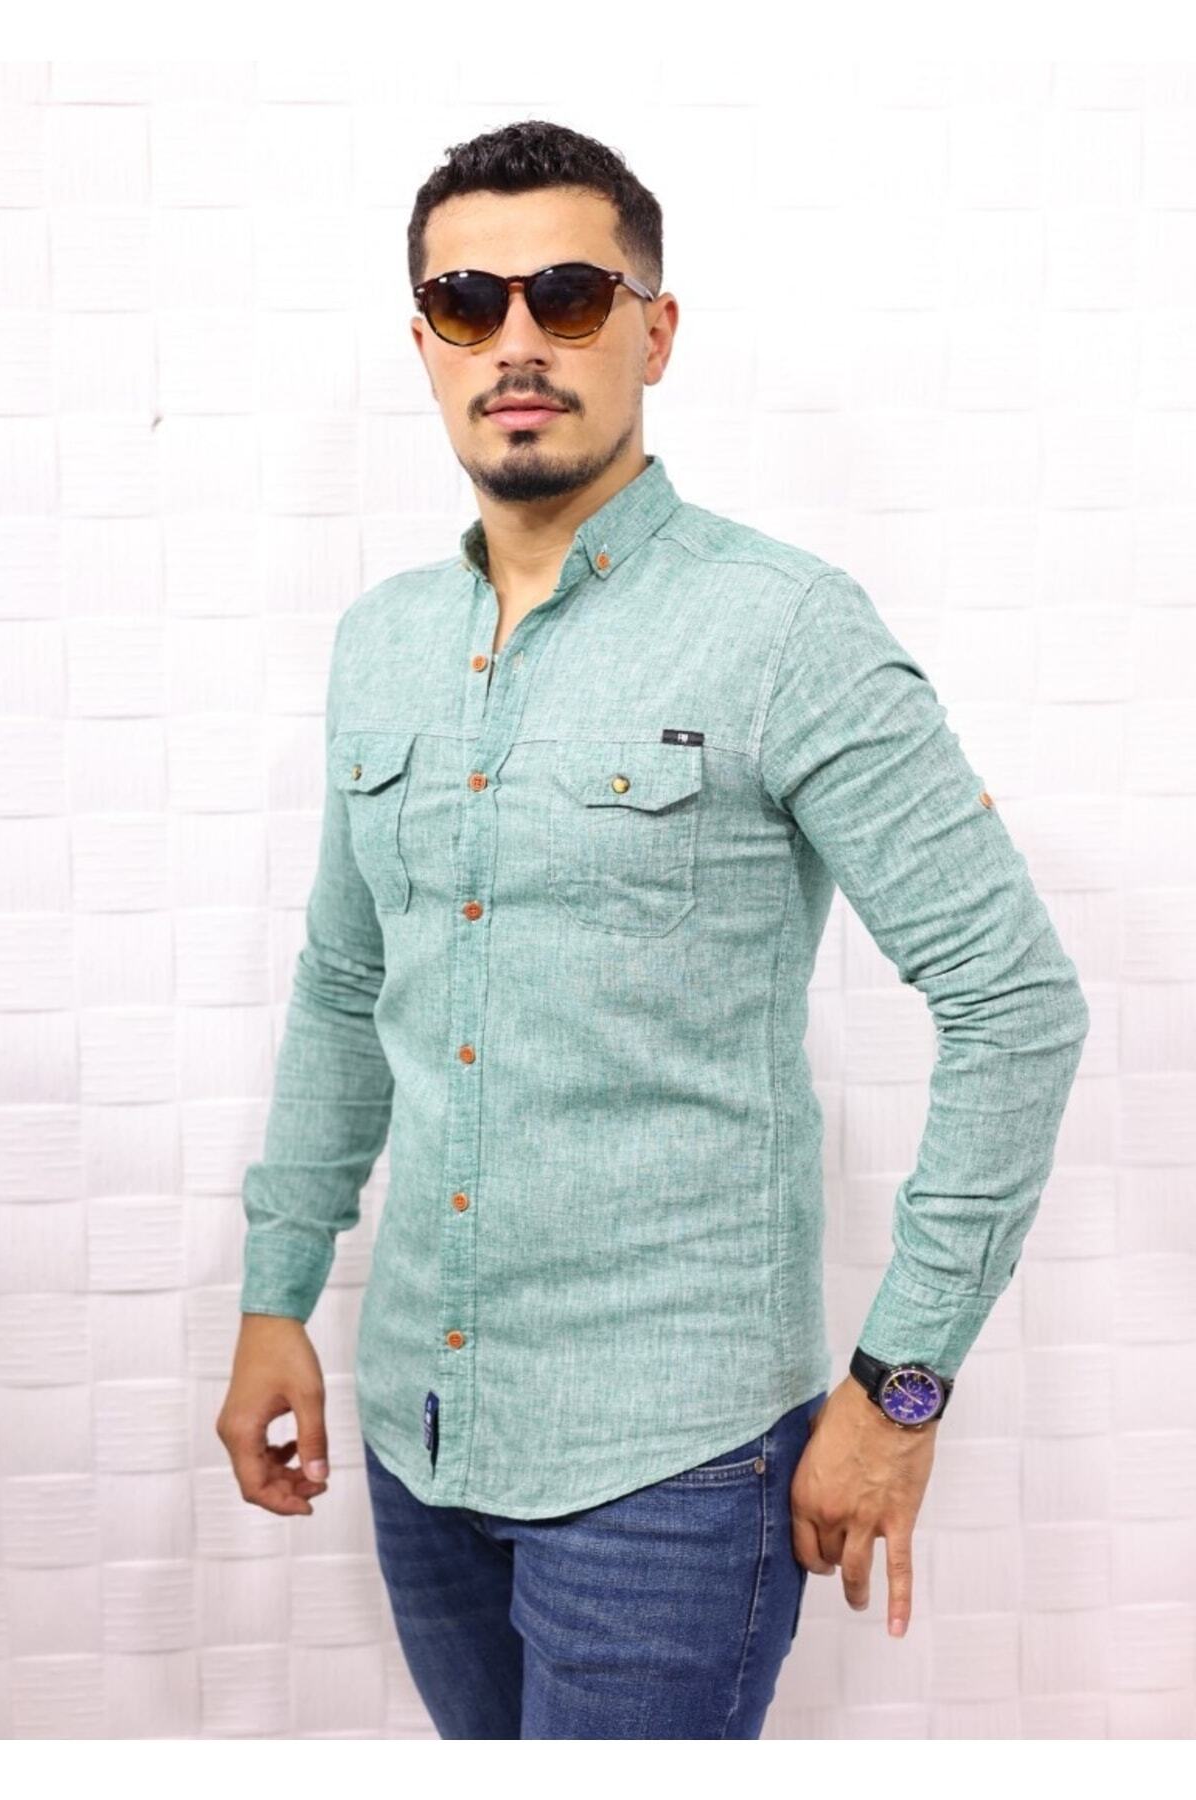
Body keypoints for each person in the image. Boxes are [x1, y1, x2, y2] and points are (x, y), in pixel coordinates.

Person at [216, 119, 1090, 1738]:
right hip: (419, 1432)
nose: (518, 342)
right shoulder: (380, 644)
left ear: (655, 330)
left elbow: (1015, 1001)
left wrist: (901, 1390)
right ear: (425, 345)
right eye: (468, 303)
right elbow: (346, 987)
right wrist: (278, 1296)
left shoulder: (784, 630)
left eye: (568, 294)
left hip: (673, 1471)